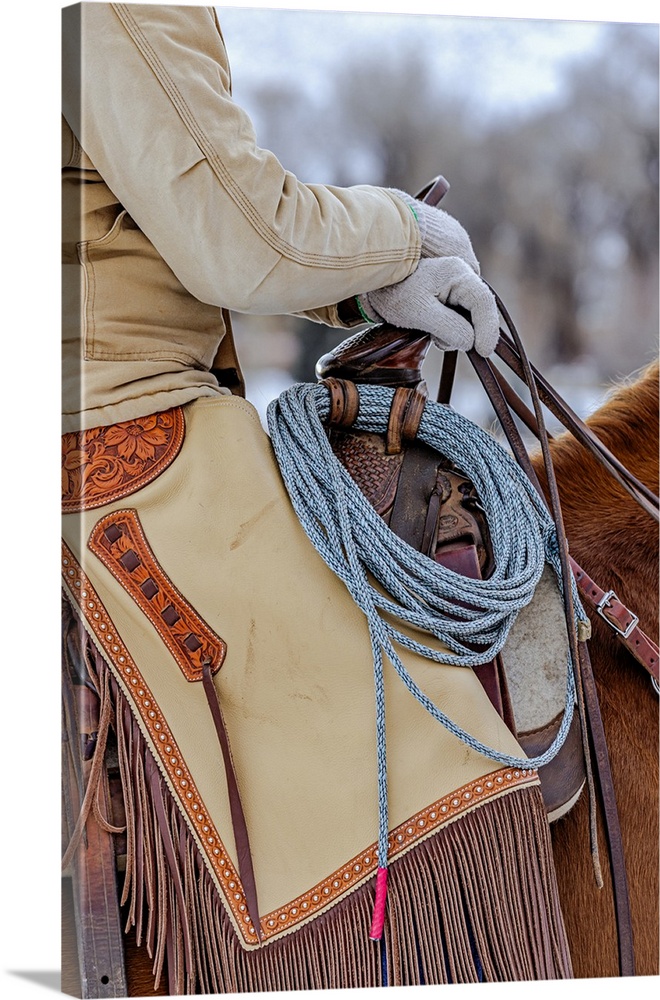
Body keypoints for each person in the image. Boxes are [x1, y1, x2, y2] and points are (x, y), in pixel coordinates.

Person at [61, 6, 569, 996]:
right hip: (114, 417)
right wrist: (408, 237)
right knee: (445, 778)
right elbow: (236, 236)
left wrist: (365, 288)